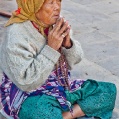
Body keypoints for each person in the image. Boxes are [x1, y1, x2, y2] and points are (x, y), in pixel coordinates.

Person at [0, 0, 117, 119]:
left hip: (59, 84)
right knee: (42, 113)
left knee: (107, 90)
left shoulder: (55, 23)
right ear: (33, 6)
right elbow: (26, 81)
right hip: (27, 93)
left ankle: (65, 116)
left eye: (58, 1)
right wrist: (51, 49)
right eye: (51, 2)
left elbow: (75, 60)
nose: (57, 7)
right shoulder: (16, 35)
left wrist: (68, 45)